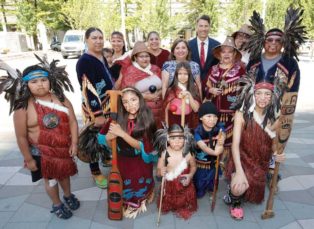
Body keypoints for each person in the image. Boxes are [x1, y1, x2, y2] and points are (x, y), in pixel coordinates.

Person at [0, 59, 80, 219]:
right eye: (34, 81)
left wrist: (75, 143)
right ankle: (57, 204)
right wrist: (28, 159)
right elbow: (21, 137)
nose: (40, 84)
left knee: (65, 174)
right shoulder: (22, 108)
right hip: (41, 152)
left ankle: (68, 195)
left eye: (44, 80)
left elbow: (72, 121)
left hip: (63, 147)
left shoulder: (61, 99)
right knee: (51, 180)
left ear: (50, 80)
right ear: (26, 84)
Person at [224, 79, 285, 220]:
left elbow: (274, 145)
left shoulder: (273, 119)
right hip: (242, 158)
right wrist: (239, 171)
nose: (263, 98)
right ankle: (235, 201)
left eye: (267, 94)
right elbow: (235, 145)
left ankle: (253, 182)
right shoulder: (242, 114)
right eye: (259, 93)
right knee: (238, 187)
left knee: (255, 196)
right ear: (252, 94)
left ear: (273, 97)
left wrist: (277, 154)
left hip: (260, 163)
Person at [97, 87, 157, 218]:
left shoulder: (147, 117)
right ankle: (126, 200)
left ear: (140, 99)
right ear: (121, 104)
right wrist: (108, 138)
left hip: (140, 161)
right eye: (125, 102)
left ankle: (144, 196)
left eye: (133, 100)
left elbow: (141, 146)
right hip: (122, 160)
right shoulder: (116, 118)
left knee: (141, 179)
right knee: (126, 180)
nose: (130, 105)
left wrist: (121, 134)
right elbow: (106, 142)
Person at [76, 27, 114, 189]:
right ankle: (95, 172)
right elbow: (87, 89)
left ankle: (105, 157)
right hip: (94, 108)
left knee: (105, 135)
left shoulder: (101, 56)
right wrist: (97, 114)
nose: (98, 41)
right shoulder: (84, 61)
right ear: (86, 40)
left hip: (107, 103)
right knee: (92, 140)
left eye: (100, 37)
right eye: (94, 38)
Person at [204, 36, 245, 164]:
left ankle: (228, 165)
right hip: (214, 114)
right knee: (215, 137)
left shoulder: (240, 70)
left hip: (232, 114)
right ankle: (215, 163)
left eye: (230, 51)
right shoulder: (213, 69)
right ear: (219, 54)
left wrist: (239, 109)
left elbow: (246, 91)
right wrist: (210, 90)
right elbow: (205, 87)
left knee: (231, 140)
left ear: (234, 54)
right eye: (224, 51)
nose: (226, 54)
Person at [155, 124, 197, 220]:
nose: (177, 141)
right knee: (169, 202)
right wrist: (160, 171)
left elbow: (194, 167)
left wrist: (190, 175)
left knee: (184, 204)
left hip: (184, 186)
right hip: (169, 186)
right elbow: (157, 172)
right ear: (167, 139)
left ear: (185, 139)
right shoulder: (164, 153)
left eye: (180, 138)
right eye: (173, 138)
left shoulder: (189, 153)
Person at [118, 41, 163, 128]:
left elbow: (164, 85)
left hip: (159, 109)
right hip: (141, 112)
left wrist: (159, 93)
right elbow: (126, 91)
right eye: (141, 56)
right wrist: (146, 97)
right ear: (135, 57)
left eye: (147, 56)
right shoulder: (130, 71)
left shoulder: (156, 69)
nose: (145, 59)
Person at [193, 101, 225, 198]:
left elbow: (223, 134)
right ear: (201, 117)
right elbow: (204, 147)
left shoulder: (218, 128)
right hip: (202, 163)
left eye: (215, 117)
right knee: (200, 180)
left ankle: (211, 188)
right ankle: (200, 189)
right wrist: (215, 152)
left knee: (213, 179)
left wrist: (222, 139)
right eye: (209, 116)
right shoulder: (198, 132)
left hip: (214, 162)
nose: (213, 119)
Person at [163, 61, 200, 129]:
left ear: (189, 75)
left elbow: (196, 109)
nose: (182, 76)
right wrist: (167, 127)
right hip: (174, 120)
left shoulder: (194, 88)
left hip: (189, 120)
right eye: (180, 74)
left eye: (185, 74)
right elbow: (166, 110)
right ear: (176, 75)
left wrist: (189, 94)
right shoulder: (171, 90)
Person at [188, 15, 220, 87]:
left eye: (206, 26)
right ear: (196, 27)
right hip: (192, 86)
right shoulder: (188, 45)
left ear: (209, 27)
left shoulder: (217, 46)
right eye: (201, 26)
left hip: (211, 86)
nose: (203, 29)